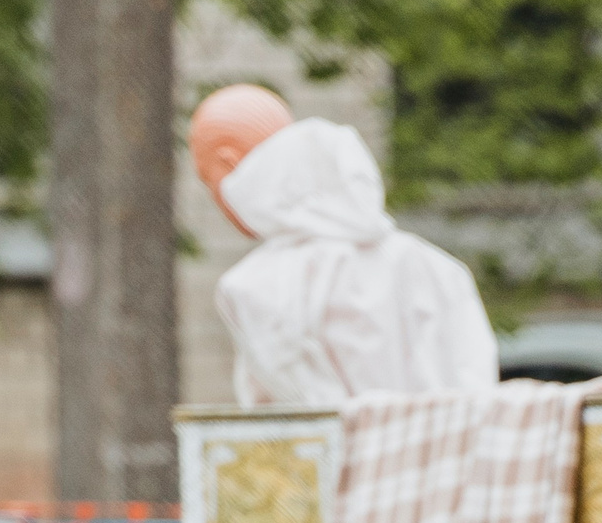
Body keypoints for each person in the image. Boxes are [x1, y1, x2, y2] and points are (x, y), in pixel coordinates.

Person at [190, 84, 499, 407]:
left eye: (207, 180)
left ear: (229, 166)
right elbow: (477, 398)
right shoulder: (437, 267)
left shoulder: (251, 288)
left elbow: (292, 424)